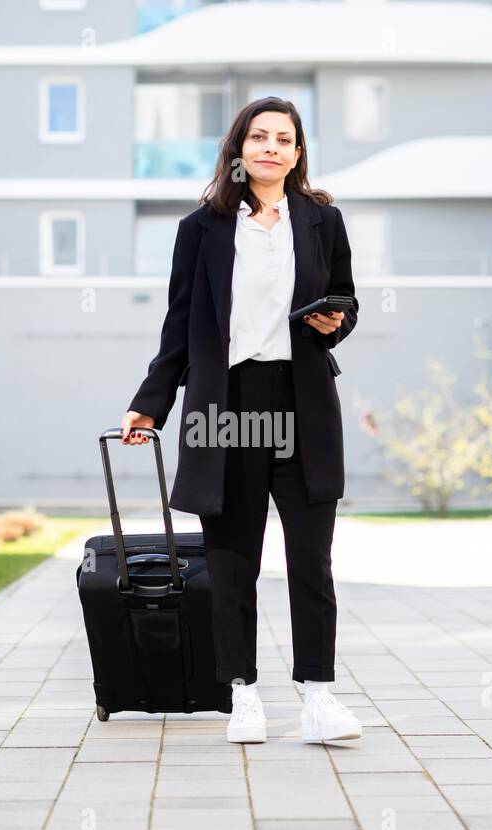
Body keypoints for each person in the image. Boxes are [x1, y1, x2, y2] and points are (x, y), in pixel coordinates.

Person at [119, 96, 362, 745]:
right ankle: (244, 694)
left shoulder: (322, 221)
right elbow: (180, 325)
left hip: (303, 403)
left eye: (285, 139)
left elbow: (345, 304)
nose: (272, 148)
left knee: (312, 560)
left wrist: (336, 321)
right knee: (234, 562)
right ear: (239, 149)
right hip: (226, 405)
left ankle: (319, 697)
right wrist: (151, 403)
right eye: (260, 137)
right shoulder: (203, 229)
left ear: (298, 153)